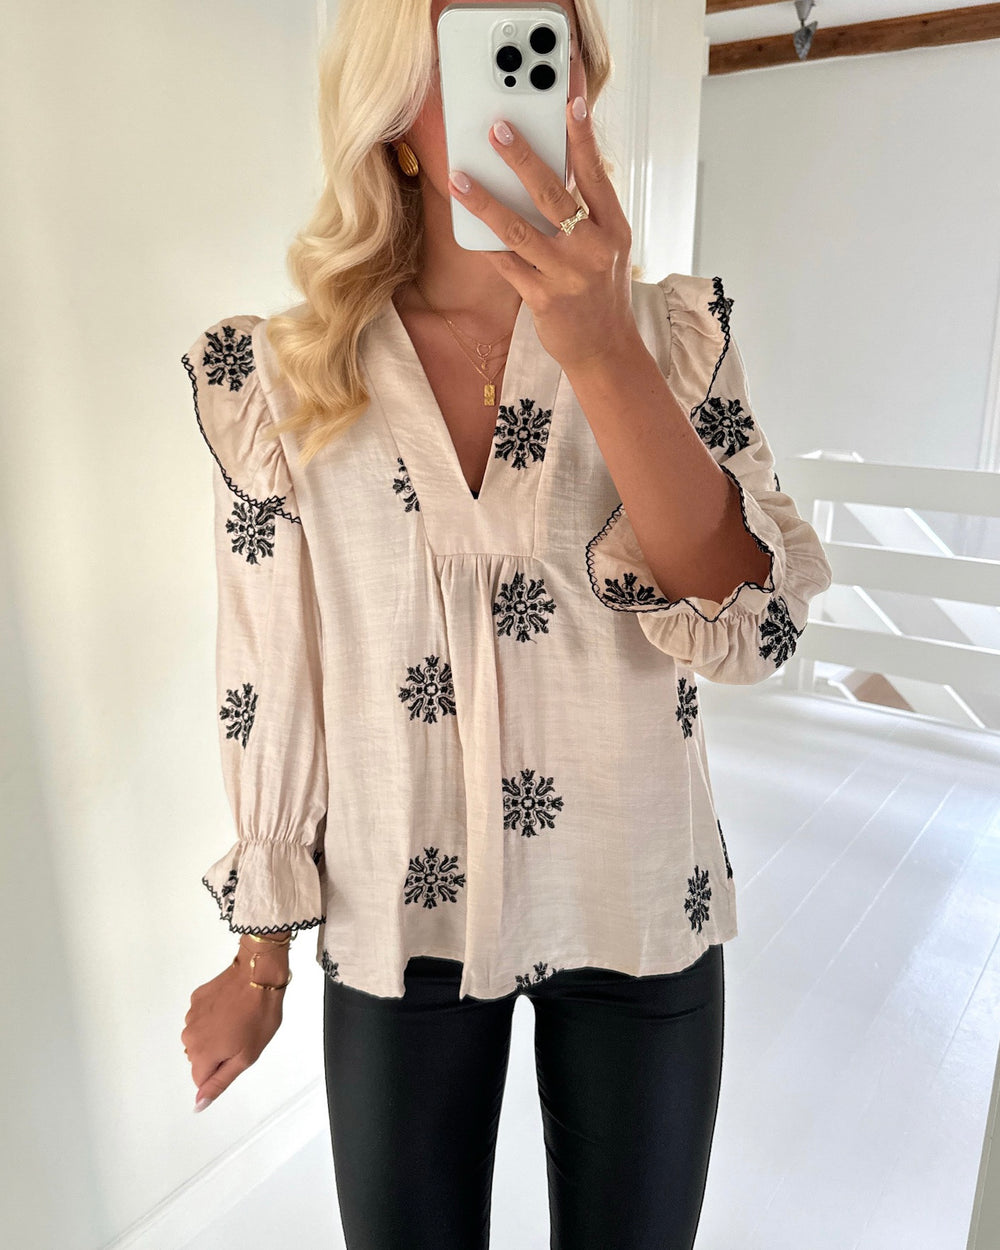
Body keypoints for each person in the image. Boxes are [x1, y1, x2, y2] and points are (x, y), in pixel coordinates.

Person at [180, 1, 834, 1247]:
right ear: (393, 118)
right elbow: (273, 674)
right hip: (398, 905)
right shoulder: (287, 377)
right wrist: (260, 957)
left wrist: (602, 348)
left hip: (635, 893)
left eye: (550, 42)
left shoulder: (673, 338)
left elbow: (758, 629)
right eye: (472, 48)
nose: (531, 82)